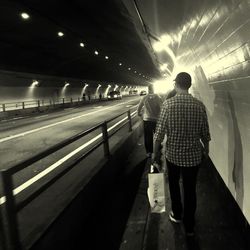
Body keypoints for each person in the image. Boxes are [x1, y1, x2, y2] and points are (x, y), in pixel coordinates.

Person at [153, 72, 211, 236]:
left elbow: (159, 134)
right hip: (193, 158)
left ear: (175, 84)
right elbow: (205, 133)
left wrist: (155, 153)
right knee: (190, 189)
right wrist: (206, 151)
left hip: (173, 156)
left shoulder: (168, 105)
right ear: (190, 85)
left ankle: (177, 214)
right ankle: (190, 226)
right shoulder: (199, 105)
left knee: (173, 185)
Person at [137, 84, 162, 158]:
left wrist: (139, 113)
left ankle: (149, 152)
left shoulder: (144, 97)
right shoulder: (157, 97)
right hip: (156, 120)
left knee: (148, 136)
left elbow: (139, 107)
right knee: (157, 135)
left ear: (148, 89)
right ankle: (158, 149)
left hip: (147, 119)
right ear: (153, 89)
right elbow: (162, 107)